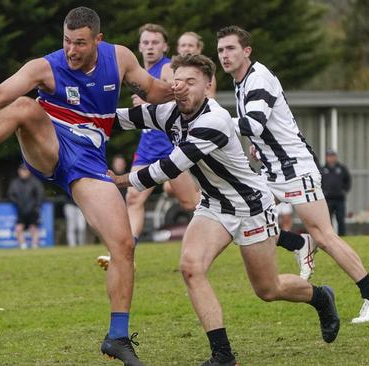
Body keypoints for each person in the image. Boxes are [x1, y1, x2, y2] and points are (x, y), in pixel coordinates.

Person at [0, 6, 178, 365]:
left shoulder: (121, 58)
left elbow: (154, 89)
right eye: (67, 41)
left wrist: (181, 90)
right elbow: (1, 95)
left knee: (124, 244)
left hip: (88, 163)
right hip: (49, 146)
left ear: (98, 39)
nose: (71, 50)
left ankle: (117, 337)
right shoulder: (46, 67)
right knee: (25, 107)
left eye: (80, 43)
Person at [109, 54, 340, 365]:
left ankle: (321, 296)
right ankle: (223, 356)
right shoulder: (168, 111)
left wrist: (122, 179)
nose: (183, 88)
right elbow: (122, 118)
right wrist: (77, 116)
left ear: (208, 87)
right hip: (214, 204)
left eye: (192, 82)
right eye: (178, 81)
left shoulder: (214, 121)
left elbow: (170, 167)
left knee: (268, 289)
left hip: (250, 207)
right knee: (191, 268)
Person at [217, 25, 369, 323]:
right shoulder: (240, 82)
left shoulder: (258, 77)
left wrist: (215, 123)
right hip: (272, 169)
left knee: (325, 235)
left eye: (230, 48)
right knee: (239, 214)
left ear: (247, 51)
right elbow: (263, 128)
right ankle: (298, 243)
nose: (224, 55)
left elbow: (253, 124)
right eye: (220, 50)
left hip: (295, 169)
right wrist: (259, 147)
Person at [96, 24, 200, 271]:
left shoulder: (167, 68)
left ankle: (226, 233)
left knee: (190, 204)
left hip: (170, 147)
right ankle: (125, 255)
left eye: (155, 43)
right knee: (133, 198)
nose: (150, 47)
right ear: (140, 46)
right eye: (146, 42)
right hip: (147, 147)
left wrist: (149, 100)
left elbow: (180, 95)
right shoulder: (138, 70)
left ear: (165, 46)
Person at [7, 164, 44, 249]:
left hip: (33, 209)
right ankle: (23, 245)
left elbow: (40, 194)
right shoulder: (15, 183)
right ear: (19, 171)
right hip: (21, 209)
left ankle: (34, 245)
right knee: (18, 228)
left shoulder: (35, 182)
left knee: (33, 228)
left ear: (29, 172)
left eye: (25, 170)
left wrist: (37, 206)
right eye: (22, 170)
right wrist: (17, 203)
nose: (23, 172)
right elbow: (10, 195)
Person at [321, 149, 351, 236]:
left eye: (333, 156)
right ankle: (329, 237)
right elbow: (319, 183)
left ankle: (343, 236)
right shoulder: (323, 169)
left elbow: (348, 181)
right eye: (329, 156)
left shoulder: (342, 169)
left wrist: (344, 190)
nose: (331, 158)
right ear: (327, 158)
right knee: (327, 221)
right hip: (327, 199)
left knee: (340, 219)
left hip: (339, 199)